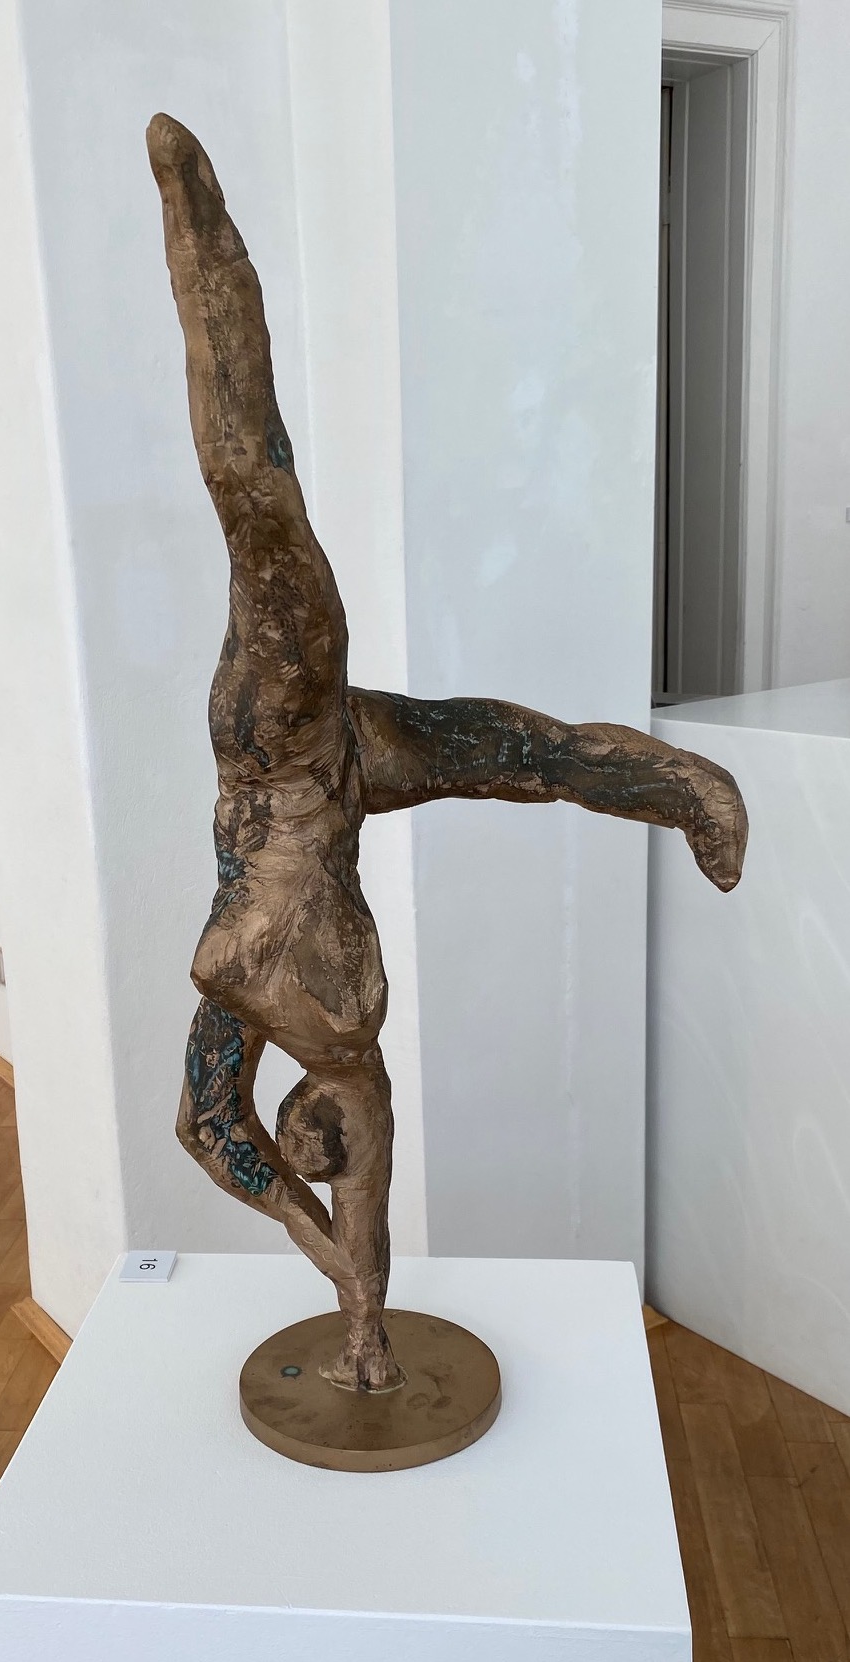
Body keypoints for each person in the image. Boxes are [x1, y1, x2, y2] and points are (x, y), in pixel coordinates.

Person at [149, 114, 747, 1392]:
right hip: (335, 762)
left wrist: (325, 1256)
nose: (318, 1147)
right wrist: (351, 1293)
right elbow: (289, 1164)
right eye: (327, 1147)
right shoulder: (343, 1051)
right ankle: (691, 790)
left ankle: (197, 231)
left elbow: (208, 1128)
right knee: (513, 744)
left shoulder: (246, 996)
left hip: (282, 748)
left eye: (308, 1147)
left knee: (259, 506)